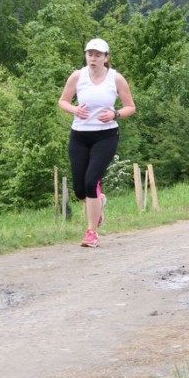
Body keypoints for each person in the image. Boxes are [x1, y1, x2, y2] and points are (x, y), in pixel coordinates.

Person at [58, 38, 136, 248]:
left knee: (92, 181)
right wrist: (74, 110)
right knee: (80, 189)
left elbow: (130, 107)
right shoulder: (77, 76)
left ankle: (91, 232)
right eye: (90, 54)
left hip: (105, 135)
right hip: (79, 135)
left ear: (106, 58)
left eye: (98, 55)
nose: (93, 58)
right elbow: (62, 101)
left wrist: (115, 113)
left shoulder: (116, 78)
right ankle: (98, 203)